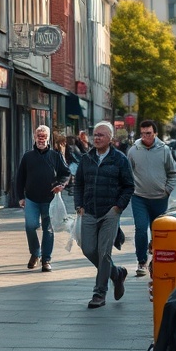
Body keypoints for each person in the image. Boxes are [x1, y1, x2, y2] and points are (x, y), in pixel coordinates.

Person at [73, 121, 134, 309]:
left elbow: (128, 186)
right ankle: (116, 274)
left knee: (104, 253)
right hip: (89, 210)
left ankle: (99, 293)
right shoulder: (86, 158)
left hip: (110, 212)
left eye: (101, 135)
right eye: (95, 135)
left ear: (111, 138)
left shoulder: (120, 159)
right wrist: (79, 205)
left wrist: (118, 207)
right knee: (88, 249)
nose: (96, 138)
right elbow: (79, 184)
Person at [127, 120, 176, 277]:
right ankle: (142, 261)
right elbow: (127, 173)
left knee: (158, 232)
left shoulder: (164, 150)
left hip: (160, 198)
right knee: (141, 229)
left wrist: (167, 190)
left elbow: (174, 173)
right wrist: (130, 189)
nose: (145, 137)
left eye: (148, 133)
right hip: (139, 198)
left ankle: (156, 260)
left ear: (155, 133)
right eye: (142, 134)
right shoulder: (133, 151)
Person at [15, 125, 71, 271]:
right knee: (30, 226)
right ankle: (35, 253)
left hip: (49, 199)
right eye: (38, 135)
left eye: (43, 135)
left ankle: (46, 260)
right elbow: (20, 178)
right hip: (31, 199)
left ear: (48, 138)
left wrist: (61, 185)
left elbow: (65, 173)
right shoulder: (28, 156)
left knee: (48, 229)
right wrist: (21, 197)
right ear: (34, 137)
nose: (41, 138)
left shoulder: (55, 156)